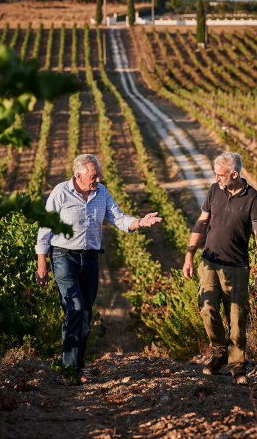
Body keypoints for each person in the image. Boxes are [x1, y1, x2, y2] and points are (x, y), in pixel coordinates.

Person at [35, 154, 162, 383]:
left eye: (98, 175)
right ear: (79, 176)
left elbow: (119, 218)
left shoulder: (101, 192)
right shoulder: (60, 192)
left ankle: (75, 366)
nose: (98, 179)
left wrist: (140, 222)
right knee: (74, 308)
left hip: (90, 260)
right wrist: (41, 263)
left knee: (84, 314)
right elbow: (45, 229)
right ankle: (70, 371)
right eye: (94, 176)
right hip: (63, 257)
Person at [182, 152, 257, 385]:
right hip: (209, 261)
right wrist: (190, 255)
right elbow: (202, 222)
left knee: (237, 317)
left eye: (220, 175)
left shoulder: (253, 198)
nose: (216, 178)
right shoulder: (214, 190)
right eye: (215, 174)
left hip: (237, 267)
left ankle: (238, 366)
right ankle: (219, 354)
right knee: (207, 308)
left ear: (235, 174)